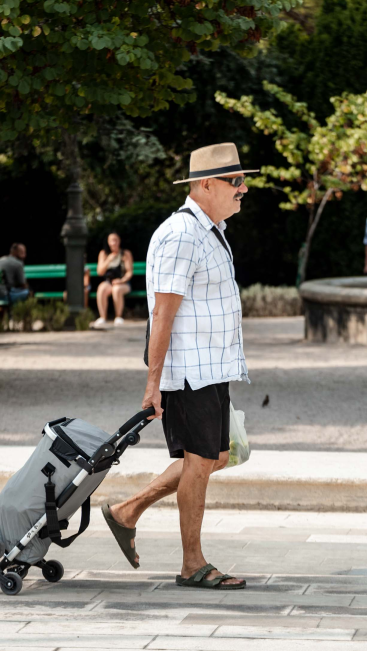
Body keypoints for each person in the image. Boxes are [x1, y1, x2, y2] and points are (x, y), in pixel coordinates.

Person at [101, 142, 256, 590]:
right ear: (206, 184)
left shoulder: (212, 230)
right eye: (236, 181)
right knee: (202, 458)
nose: (243, 188)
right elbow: (162, 315)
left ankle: (127, 510)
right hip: (188, 372)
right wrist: (154, 384)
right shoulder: (181, 235)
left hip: (211, 369)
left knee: (221, 454)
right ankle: (192, 564)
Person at [93, 232, 133, 328]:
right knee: (101, 288)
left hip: (123, 283)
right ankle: (103, 317)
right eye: (111, 240)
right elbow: (100, 272)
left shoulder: (125, 253)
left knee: (117, 289)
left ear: (119, 241)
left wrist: (121, 280)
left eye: (116, 240)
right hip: (109, 282)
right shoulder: (104, 254)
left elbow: (129, 272)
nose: (114, 243)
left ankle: (118, 317)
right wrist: (108, 260)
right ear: (108, 242)